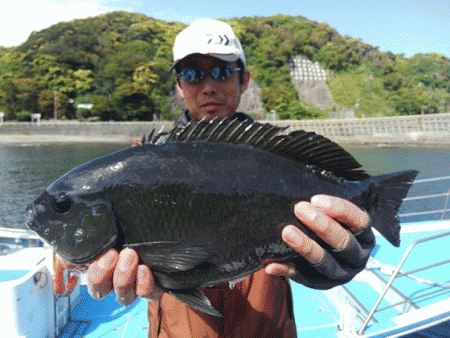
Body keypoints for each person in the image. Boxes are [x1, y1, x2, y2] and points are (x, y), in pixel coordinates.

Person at [57, 19, 374, 337]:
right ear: (180, 86)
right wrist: (67, 252)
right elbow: (92, 220)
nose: (207, 86)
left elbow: (322, 240)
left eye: (221, 71)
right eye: (193, 74)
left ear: (243, 79)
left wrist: (335, 260)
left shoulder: (278, 159)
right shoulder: (138, 165)